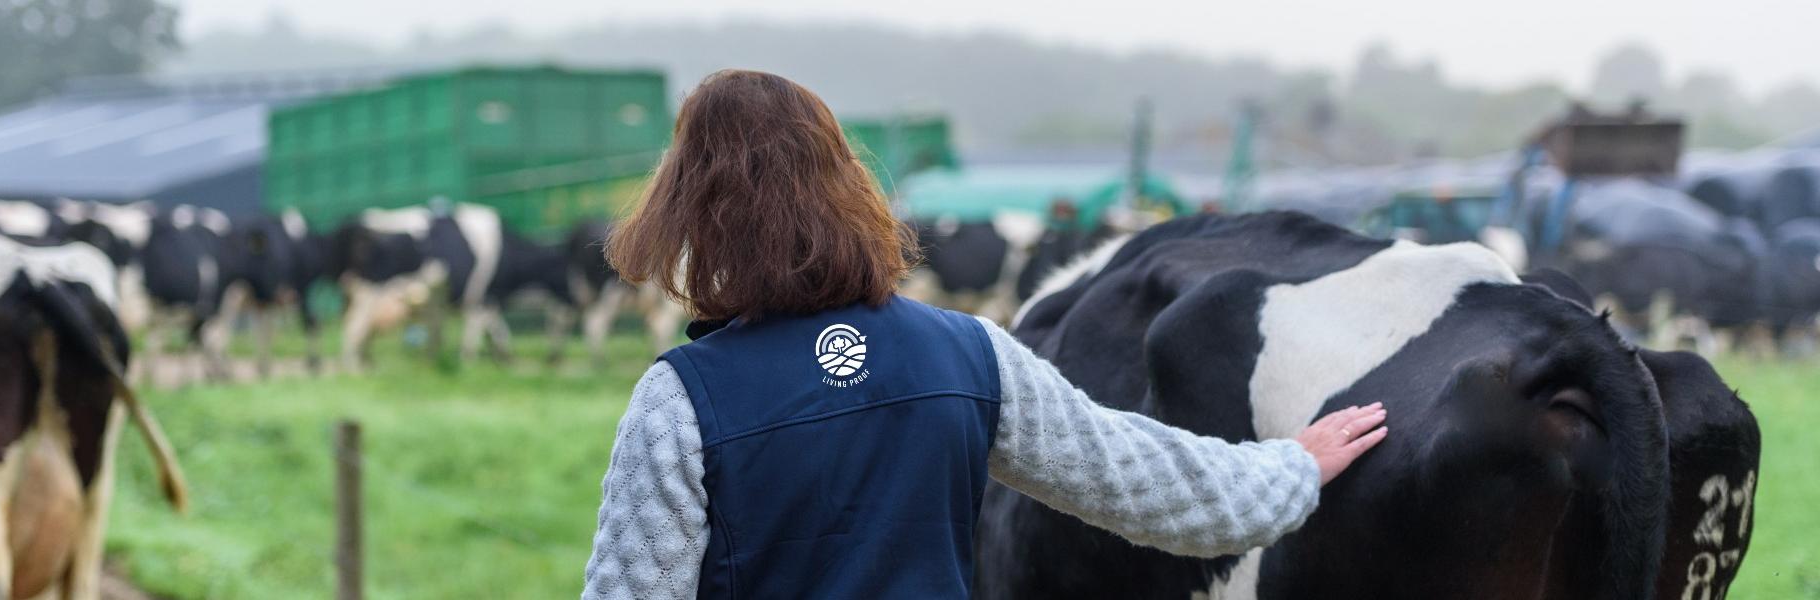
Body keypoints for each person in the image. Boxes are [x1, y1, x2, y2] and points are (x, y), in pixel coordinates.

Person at [581, 69, 1388, 599]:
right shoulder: (969, 353)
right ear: (846, 190)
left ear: (693, 214)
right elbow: (1142, 484)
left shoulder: (680, 400)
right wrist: (1293, 468)